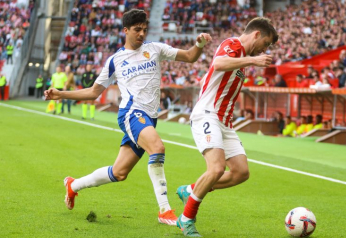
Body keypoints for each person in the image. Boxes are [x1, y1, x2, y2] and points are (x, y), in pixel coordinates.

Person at [44, 9, 212, 226]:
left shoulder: (155, 49)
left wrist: (198, 45)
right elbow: (94, 92)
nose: (141, 34)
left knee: (119, 172)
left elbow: (190, 57)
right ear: (125, 30)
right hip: (131, 114)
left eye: (144, 29)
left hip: (149, 118)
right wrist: (61, 94)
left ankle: (73, 185)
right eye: (136, 30)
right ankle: (165, 210)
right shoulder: (115, 60)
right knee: (158, 148)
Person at [175, 17, 278, 236]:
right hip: (207, 116)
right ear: (256, 34)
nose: (264, 49)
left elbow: (212, 78)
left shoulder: (244, 57)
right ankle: (186, 218)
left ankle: (191, 190)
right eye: (266, 44)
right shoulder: (232, 44)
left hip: (225, 121)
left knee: (241, 172)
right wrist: (254, 61)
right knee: (216, 168)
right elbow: (219, 63)